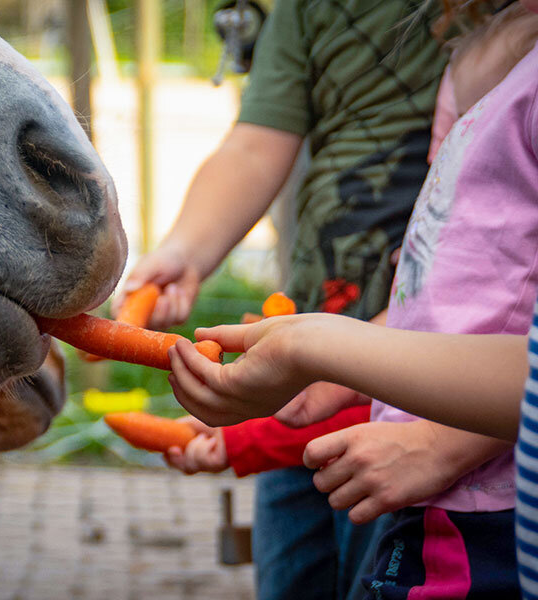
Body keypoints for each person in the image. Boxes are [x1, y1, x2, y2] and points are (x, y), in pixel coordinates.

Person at [167, 3, 538, 595]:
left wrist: (437, 443)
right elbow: (434, 283)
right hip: (407, 454)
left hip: (480, 500)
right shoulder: (481, 62)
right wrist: (335, 366)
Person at [117, 1, 451, 598]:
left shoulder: (489, 27)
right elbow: (256, 143)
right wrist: (185, 254)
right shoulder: (309, 7)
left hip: (431, 365)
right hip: (303, 338)